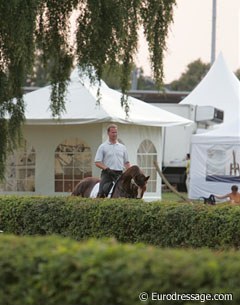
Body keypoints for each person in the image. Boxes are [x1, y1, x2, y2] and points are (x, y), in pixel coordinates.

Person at [94, 124, 131, 197]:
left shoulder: (122, 147)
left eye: (116, 132)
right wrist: (107, 169)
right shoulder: (103, 147)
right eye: (113, 132)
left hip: (120, 174)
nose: (115, 134)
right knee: (102, 192)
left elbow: (126, 162)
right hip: (107, 174)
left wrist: (130, 171)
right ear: (108, 133)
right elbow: (97, 162)